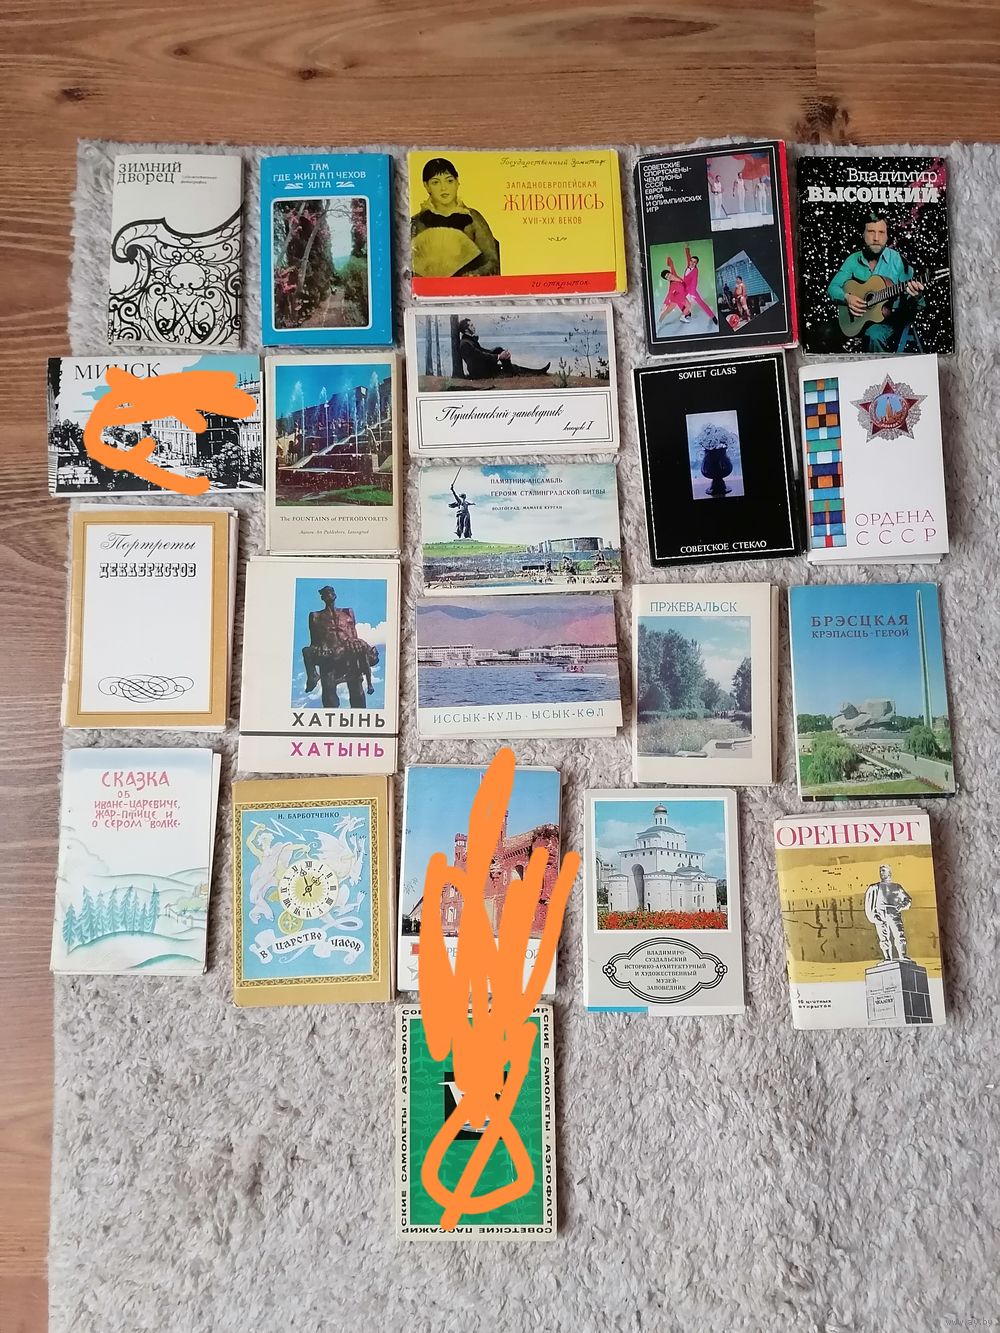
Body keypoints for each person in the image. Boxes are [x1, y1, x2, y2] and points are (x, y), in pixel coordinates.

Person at [825, 214, 925, 351]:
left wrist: (916, 296)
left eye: (881, 232)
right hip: (858, 321)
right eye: (871, 232)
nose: (876, 238)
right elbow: (833, 287)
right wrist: (847, 298)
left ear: (887, 236)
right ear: (863, 234)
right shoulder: (853, 259)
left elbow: (916, 306)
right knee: (824, 331)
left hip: (889, 321)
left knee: (873, 334)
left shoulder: (898, 261)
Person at [411, 158, 500, 278]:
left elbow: (491, 261)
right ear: (426, 186)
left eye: (449, 181)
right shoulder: (417, 222)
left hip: (469, 286)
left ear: (457, 182)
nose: (444, 188)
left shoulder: (473, 218)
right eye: (435, 182)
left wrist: (474, 275)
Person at [456, 318, 549, 379]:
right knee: (513, 367)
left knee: (498, 349)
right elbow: (480, 355)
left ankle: (512, 369)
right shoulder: (465, 344)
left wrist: (501, 354)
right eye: (471, 325)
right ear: (466, 330)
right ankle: (537, 372)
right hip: (480, 372)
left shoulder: (469, 341)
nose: (474, 327)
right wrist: (499, 357)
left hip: (482, 366)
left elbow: (483, 351)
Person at [864, 863, 913, 961]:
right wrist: (874, 916)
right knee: (883, 937)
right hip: (880, 913)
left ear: (889, 872)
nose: (881, 873)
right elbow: (869, 903)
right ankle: (887, 958)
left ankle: (902, 955)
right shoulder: (875, 887)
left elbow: (908, 900)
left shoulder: (897, 887)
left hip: (893, 912)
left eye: (884, 870)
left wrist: (901, 906)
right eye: (880, 871)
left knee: (899, 934)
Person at [680, 246, 718, 325]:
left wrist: (692, 293)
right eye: (691, 261)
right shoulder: (688, 265)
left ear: (696, 264)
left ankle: (713, 317)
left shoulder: (695, 271)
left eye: (694, 262)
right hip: (684, 288)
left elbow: (694, 282)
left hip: (691, 290)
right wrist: (686, 248)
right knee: (678, 300)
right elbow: (688, 256)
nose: (692, 263)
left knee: (701, 303)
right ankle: (687, 313)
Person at [658, 255, 691, 326]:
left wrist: (668, 258)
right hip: (676, 299)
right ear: (667, 279)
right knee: (667, 311)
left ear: (670, 273)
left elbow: (671, 265)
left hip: (682, 296)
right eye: (666, 277)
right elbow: (669, 294)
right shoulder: (672, 285)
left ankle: (682, 317)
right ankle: (659, 321)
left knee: (688, 305)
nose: (668, 276)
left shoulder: (674, 274)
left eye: (668, 274)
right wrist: (665, 304)